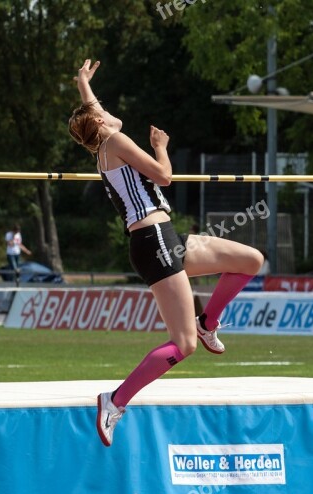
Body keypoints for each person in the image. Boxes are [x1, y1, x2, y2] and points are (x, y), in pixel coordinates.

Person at [68, 59, 263, 447]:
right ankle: (115, 401)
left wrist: (84, 85)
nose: (108, 111)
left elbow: (92, 116)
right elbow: (164, 176)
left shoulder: (103, 145)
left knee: (249, 260)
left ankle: (210, 321)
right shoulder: (115, 142)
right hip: (153, 241)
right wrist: (161, 147)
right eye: (103, 111)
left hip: (163, 236)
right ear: (102, 123)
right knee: (183, 344)